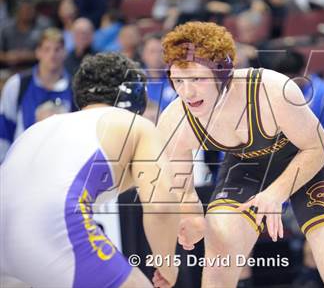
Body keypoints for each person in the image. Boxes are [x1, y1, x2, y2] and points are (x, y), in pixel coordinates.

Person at [157, 21, 324, 287]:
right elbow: (184, 189)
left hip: (305, 165)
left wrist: (276, 193)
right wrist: (191, 217)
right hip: (245, 171)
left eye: (196, 79)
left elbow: (320, 147)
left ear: (223, 71)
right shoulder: (174, 120)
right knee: (217, 275)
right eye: (178, 80)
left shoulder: (271, 89)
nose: (187, 92)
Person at [0, 52, 189, 288]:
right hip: (52, 226)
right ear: (136, 97)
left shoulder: (40, 128)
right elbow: (160, 206)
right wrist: (167, 264)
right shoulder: (134, 124)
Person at [0, 27, 73, 163]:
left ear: (64, 53)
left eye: (57, 49)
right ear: (38, 52)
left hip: (60, 164)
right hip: (22, 163)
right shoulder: (17, 84)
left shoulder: (74, 88)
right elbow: (4, 127)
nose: (52, 55)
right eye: (47, 49)